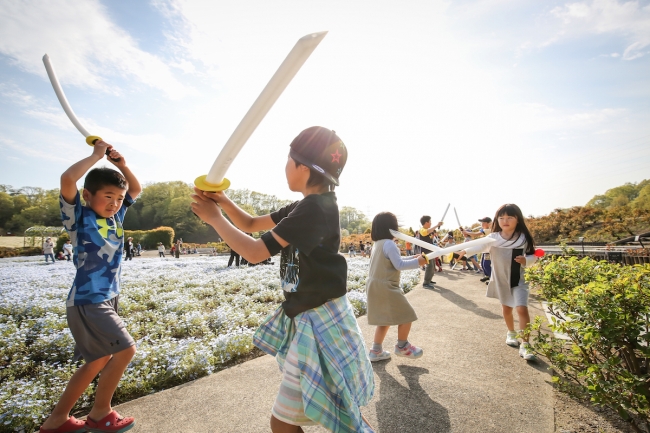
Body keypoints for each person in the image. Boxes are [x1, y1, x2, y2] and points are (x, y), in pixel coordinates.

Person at [191, 126, 374, 432]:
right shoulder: (309, 205)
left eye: (288, 162)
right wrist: (221, 200)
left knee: (285, 422)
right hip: (314, 315)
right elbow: (249, 223)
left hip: (318, 319)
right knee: (341, 409)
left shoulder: (313, 209)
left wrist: (213, 218)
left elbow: (254, 252)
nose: (285, 169)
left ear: (303, 167)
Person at [40, 141, 141, 433]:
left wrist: (121, 163)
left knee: (98, 360)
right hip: (88, 299)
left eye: (119, 198)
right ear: (88, 195)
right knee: (126, 350)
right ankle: (100, 413)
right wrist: (97, 156)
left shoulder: (117, 217)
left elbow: (136, 188)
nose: (115, 203)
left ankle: (57, 420)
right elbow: (67, 180)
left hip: (107, 297)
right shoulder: (79, 217)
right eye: (108, 196)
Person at [456, 204, 539, 362]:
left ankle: (526, 344)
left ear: (517, 219)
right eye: (501, 218)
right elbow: (479, 246)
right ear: (497, 220)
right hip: (501, 279)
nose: (505, 221)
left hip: (519, 279)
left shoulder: (523, 237)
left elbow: (534, 255)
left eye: (509, 217)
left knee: (522, 309)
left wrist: (526, 260)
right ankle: (511, 333)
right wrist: (465, 251)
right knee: (507, 308)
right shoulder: (494, 238)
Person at [366, 212, 427, 362]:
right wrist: (418, 263)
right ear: (392, 227)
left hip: (374, 285)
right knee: (407, 315)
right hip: (387, 286)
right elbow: (398, 265)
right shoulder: (389, 243)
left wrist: (412, 258)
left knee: (384, 319)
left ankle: (376, 350)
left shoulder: (378, 244)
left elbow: (395, 260)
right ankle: (402, 346)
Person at [463, 217, 493, 282]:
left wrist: (467, 232)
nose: (481, 224)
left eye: (483, 222)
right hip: (485, 250)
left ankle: (492, 279)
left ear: (488, 223)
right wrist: (466, 232)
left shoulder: (488, 230)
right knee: (482, 264)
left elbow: (475, 234)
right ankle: (487, 276)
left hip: (489, 250)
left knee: (486, 264)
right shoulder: (484, 229)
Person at [418, 216, 443, 288]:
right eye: (430, 221)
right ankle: (426, 283)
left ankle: (429, 280)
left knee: (433, 266)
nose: (431, 223)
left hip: (430, 251)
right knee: (429, 266)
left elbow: (428, 237)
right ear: (426, 223)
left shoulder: (428, 230)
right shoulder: (422, 230)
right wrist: (437, 225)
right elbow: (426, 232)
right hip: (425, 252)